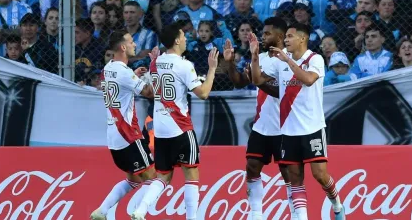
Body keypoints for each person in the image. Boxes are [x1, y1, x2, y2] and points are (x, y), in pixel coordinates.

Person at [250, 22, 346, 220]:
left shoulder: (315, 59)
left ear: (303, 38)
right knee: (295, 179)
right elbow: (258, 81)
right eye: (285, 37)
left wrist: (288, 61)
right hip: (288, 131)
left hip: (312, 128)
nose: (286, 40)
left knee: (320, 175)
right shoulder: (280, 62)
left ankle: (337, 204)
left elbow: (308, 80)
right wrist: (254, 56)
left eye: (290, 36)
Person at [131, 23, 219, 220]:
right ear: (177, 40)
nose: (187, 38)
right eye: (184, 35)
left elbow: (153, 88)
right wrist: (212, 69)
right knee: (191, 172)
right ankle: (192, 218)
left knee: (163, 176)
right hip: (180, 127)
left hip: (160, 129)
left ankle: (140, 210)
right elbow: (203, 93)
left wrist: (154, 62)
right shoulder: (184, 65)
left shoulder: (155, 63)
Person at [222, 17, 296, 220]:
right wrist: (229, 64)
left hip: (284, 127)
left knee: (288, 173)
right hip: (262, 127)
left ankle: (296, 214)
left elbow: (284, 93)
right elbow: (238, 82)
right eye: (262, 33)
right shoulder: (259, 57)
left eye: (267, 34)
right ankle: (256, 214)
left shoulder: (289, 60)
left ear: (280, 36)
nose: (262, 37)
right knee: (252, 167)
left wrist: (259, 81)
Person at [90, 30, 158, 220]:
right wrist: (155, 70)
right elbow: (149, 93)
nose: (134, 44)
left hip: (114, 139)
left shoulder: (108, 68)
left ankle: (101, 212)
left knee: (134, 180)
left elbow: (121, 85)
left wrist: (134, 75)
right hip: (129, 137)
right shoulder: (123, 72)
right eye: (130, 42)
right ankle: (139, 213)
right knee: (158, 178)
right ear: (122, 47)